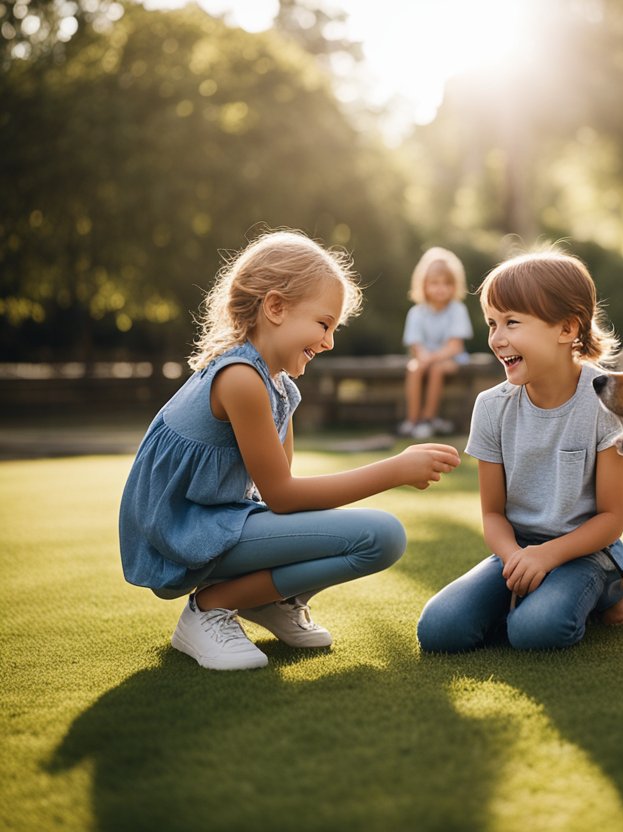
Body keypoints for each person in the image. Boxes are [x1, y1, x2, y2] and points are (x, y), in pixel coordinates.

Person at [119, 230, 461, 671]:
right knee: (382, 536)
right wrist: (394, 470)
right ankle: (209, 609)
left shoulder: (279, 387)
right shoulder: (240, 378)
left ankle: (268, 602)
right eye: (323, 324)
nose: (329, 341)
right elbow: (284, 496)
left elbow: (283, 501)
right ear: (275, 307)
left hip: (225, 524)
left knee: (381, 538)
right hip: (181, 537)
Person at [416, 249, 623, 652]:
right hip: (516, 552)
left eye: (512, 322)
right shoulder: (492, 407)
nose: (497, 339)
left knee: (537, 632)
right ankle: (526, 600)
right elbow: (493, 514)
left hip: (586, 553)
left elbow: (611, 518)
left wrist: (548, 557)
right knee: (439, 630)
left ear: (567, 329)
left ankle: (613, 592)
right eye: (492, 323)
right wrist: (517, 558)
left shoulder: (604, 400)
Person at [398, 247, 474, 439]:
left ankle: (428, 419)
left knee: (437, 369)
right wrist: (424, 358)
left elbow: (454, 346)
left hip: (451, 359)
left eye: (447, 283)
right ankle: (412, 420)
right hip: (425, 358)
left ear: (454, 286)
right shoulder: (416, 313)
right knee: (414, 368)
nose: (441, 288)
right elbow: (416, 346)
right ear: (423, 285)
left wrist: (431, 358)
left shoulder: (457, 310)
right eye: (434, 283)